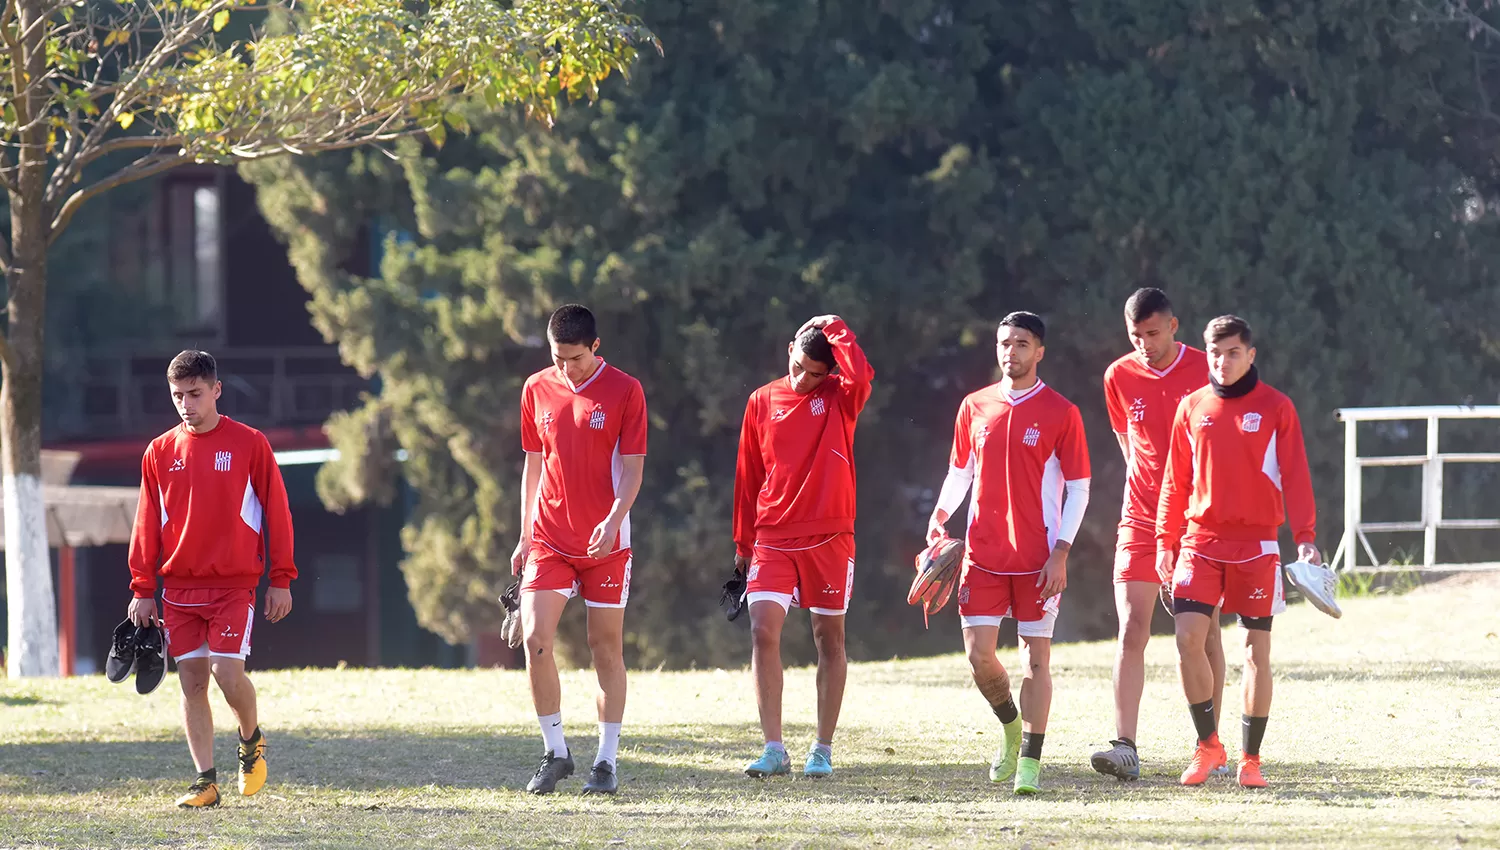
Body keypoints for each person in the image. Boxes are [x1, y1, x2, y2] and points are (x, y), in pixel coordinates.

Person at [927, 312, 1090, 795]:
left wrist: (1061, 550)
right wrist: (938, 518)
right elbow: (960, 473)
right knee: (979, 657)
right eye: (1004, 342)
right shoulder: (974, 406)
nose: (1010, 351)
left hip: (1040, 561)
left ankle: (1030, 764)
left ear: (1039, 352)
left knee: (1036, 660)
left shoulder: (1063, 412)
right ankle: (1011, 725)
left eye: (1022, 343)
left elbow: (1079, 489)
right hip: (982, 555)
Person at [127, 350, 296, 809]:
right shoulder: (159, 452)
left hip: (232, 587)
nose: (186, 404)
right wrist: (142, 588)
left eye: (195, 394)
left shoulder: (250, 443)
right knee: (192, 683)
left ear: (216, 390)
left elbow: (277, 513)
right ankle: (205, 781)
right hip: (178, 590)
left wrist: (280, 578)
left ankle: (250, 739)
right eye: (178, 395)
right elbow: (146, 522)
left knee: (225, 672)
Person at [1157, 315, 1320, 789]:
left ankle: (1251, 759)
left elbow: (1296, 475)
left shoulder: (1276, 407)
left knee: (1255, 651)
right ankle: (1208, 747)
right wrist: (1165, 539)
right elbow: (1174, 481)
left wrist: (1306, 536)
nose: (1222, 362)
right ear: (1205, 354)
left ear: (1250, 355)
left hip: (1256, 546)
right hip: (1199, 541)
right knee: (1188, 640)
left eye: (1232, 353)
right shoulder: (1191, 407)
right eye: (1214, 353)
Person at [510, 304, 647, 796]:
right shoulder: (536, 388)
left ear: (596, 347)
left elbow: (632, 470)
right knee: (535, 640)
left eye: (575, 358)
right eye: (557, 357)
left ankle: (606, 762)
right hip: (549, 538)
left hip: (607, 545)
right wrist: (525, 533)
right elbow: (533, 463)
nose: (566, 368)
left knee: (604, 649)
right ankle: (556, 752)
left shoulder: (626, 391)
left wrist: (613, 520)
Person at [1092, 288, 1226, 780]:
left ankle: (1207, 742)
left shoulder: (1207, 369)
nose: (1145, 344)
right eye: (1135, 336)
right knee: (1131, 629)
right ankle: (1124, 745)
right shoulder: (1118, 376)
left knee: (1203, 634)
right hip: (1141, 519)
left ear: (1174, 325)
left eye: (1153, 332)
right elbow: (1129, 447)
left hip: (1198, 526)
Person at [732, 315, 874, 779]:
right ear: (789, 347)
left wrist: (834, 327)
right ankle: (774, 749)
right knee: (762, 631)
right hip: (773, 535)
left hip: (831, 537)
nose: (804, 379)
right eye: (799, 367)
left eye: (817, 373)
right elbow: (748, 475)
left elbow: (861, 373)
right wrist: (743, 542)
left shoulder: (841, 397)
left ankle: (822, 749)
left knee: (828, 638)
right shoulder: (760, 400)